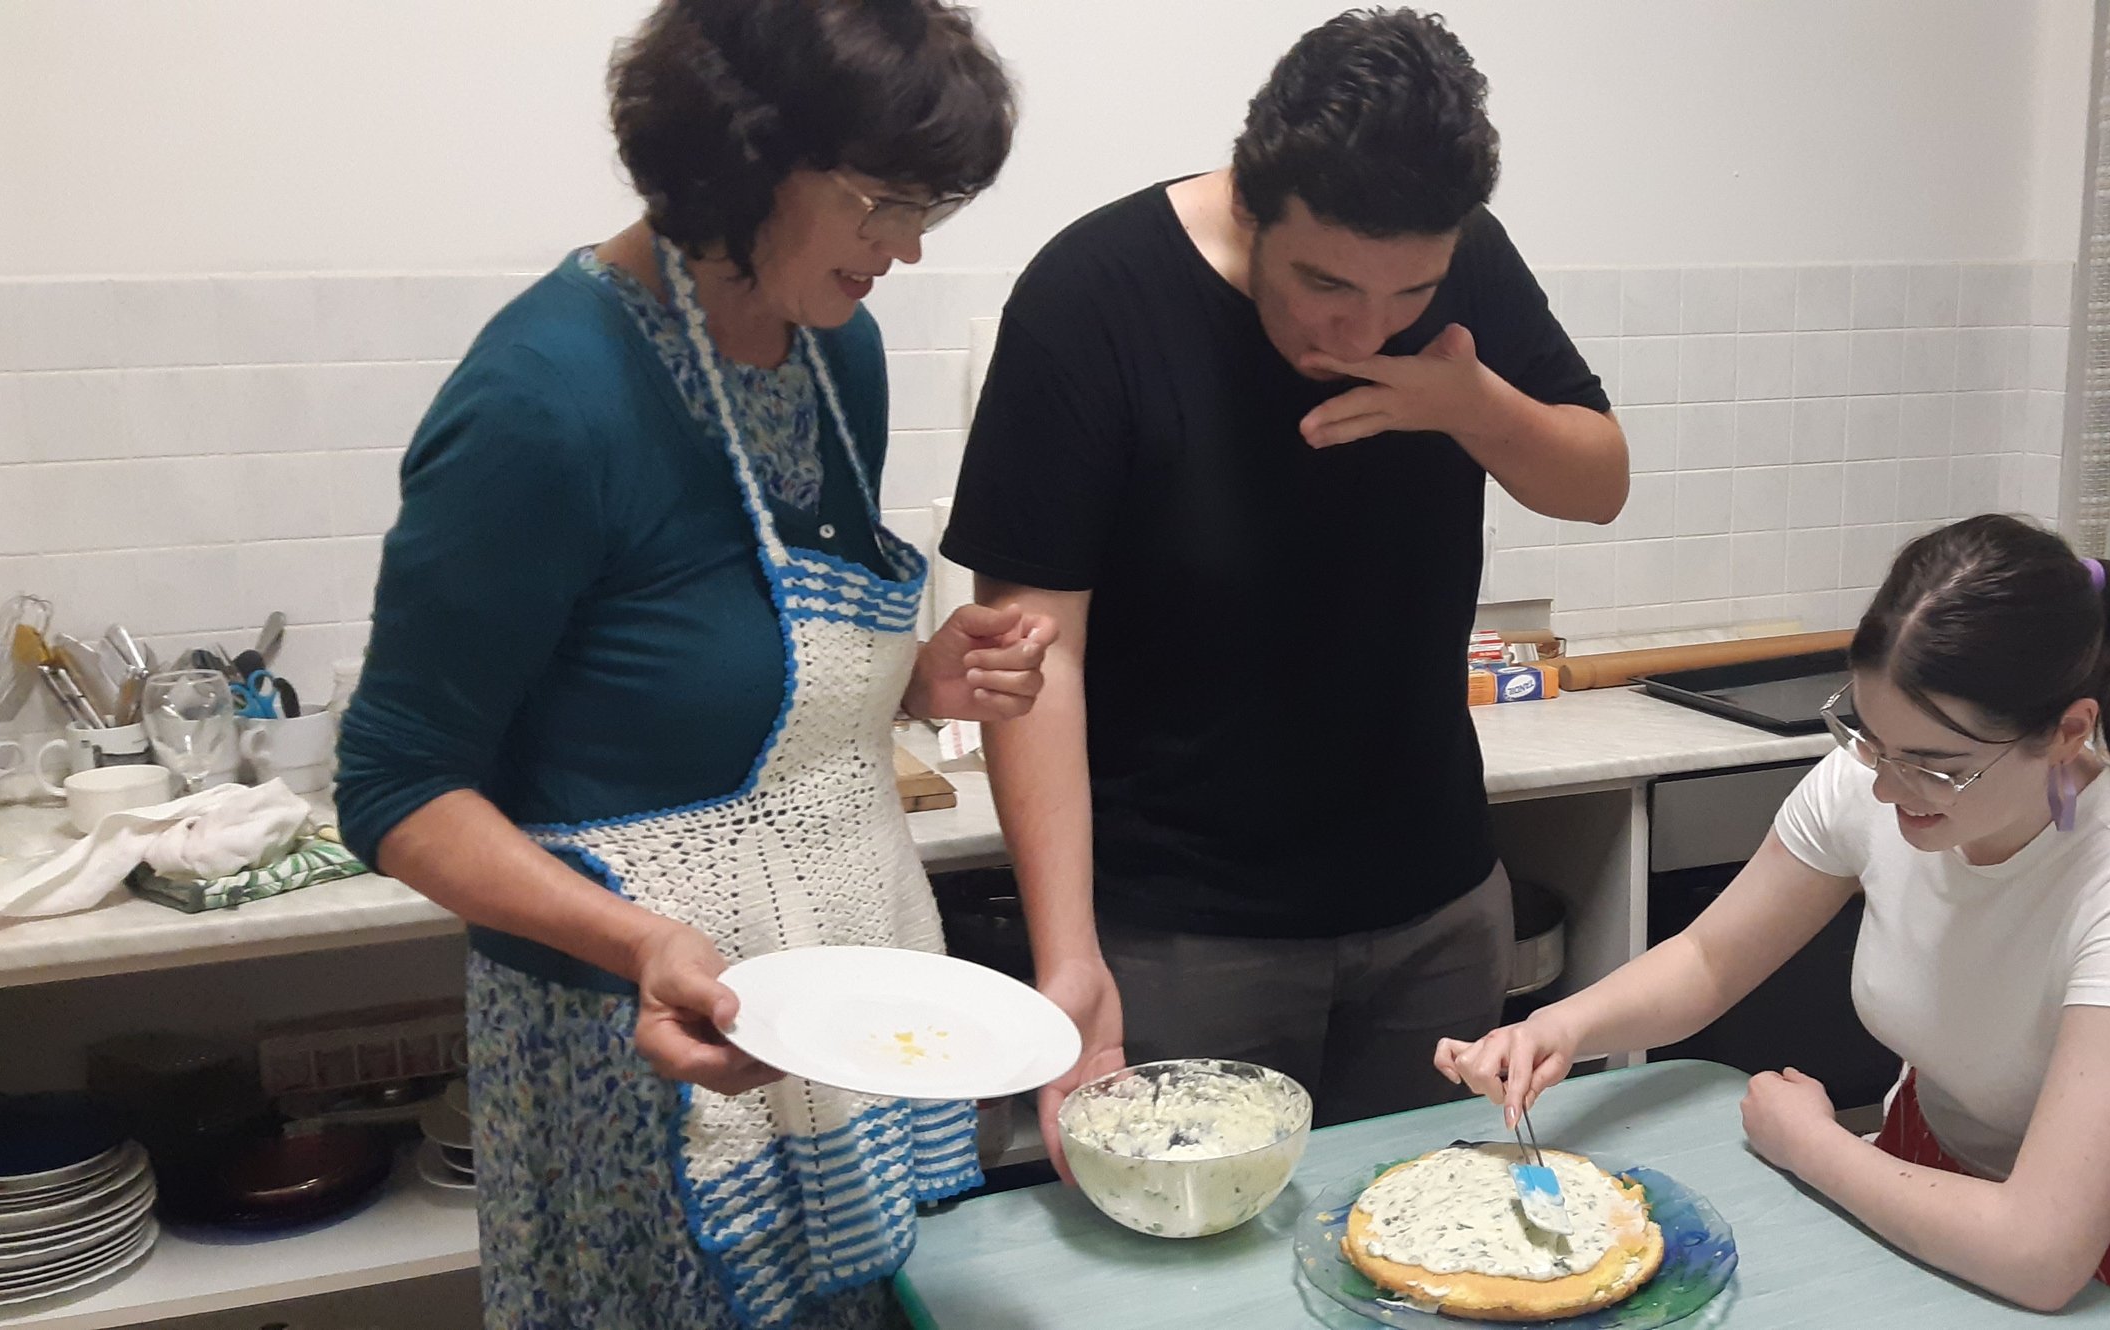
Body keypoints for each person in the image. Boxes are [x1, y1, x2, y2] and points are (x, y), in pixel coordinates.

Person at [334, 3, 1047, 1325]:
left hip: (830, 1011)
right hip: (638, 1048)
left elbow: (723, 667)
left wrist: (915, 680)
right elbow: (395, 788)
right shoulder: (546, 397)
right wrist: (644, 936)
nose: (907, 249)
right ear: (742, 157)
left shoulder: (838, 349)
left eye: (931, 208)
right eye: (883, 204)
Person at [944, 7, 1628, 1163]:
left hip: (1437, 907)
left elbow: (1598, 479)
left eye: (1408, 295)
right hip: (1180, 935)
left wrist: (1473, 406)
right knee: (1190, 1249)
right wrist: (1069, 961)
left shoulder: (1469, 265)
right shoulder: (1091, 299)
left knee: (1426, 1233)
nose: (1362, 330)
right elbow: (1031, 660)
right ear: (1252, 202)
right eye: (1325, 284)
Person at [1438, 514, 2110, 1326]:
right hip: (1912, 1175)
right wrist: (1558, 1028)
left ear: (2067, 733)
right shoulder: (1875, 781)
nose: (1885, 787)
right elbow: (1710, 958)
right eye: (1870, 739)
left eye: (1935, 766)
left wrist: (1813, 1144)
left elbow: (2040, 1252)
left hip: (2079, 1261)